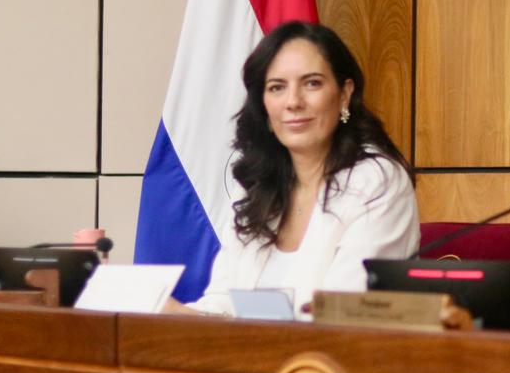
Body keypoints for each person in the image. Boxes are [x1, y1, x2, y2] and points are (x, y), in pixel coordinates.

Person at [174, 21, 419, 318]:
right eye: (277, 87)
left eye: (312, 83)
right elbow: (223, 304)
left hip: (333, 348)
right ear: (263, 105)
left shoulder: (376, 181)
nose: (293, 102)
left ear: (344, 94)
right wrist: (164, 313)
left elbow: (342, 312)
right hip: (253, 347)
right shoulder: (258, 186)